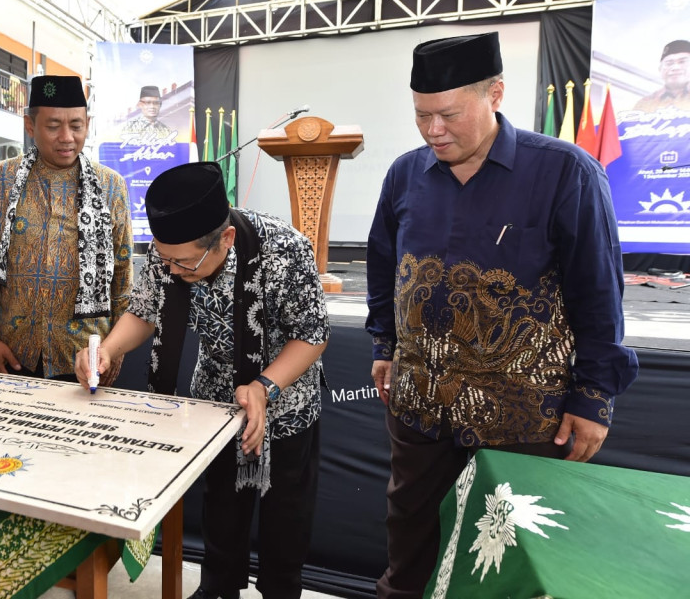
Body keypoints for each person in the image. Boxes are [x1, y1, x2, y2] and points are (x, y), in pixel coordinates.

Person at [365, 31, 639, 599]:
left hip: (525, 421)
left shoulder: (566, 173)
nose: (433, 131)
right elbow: (384, 266)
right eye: (421, 116)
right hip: (421, 413)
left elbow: (598, 294)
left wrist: (594, 397)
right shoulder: (404, 175)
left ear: (495, 94)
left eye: (447, 115)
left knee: (507, 568)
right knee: (409, 553)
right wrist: (384, 345)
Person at [75, 161, 330, 599]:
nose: (171, 270)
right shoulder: (167, 255)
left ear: (225, 239)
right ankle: (217, 588)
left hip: (286, 406)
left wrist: (264, 387)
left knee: (285, 525)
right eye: (164, 259)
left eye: (183, 262)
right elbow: (144, 310)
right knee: (221, 516)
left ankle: (281, 591)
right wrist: (107, 351)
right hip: (216, 405)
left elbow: (312, 334)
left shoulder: (285, 249)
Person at [0, 75, 133, 382]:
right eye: (53, 126)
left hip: (86, 358)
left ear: (87, 123)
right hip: (14, 354)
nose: (66, 137)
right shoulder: (0, 181)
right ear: (31, 126)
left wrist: (114, 349)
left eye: (76, 125)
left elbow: (122, 275)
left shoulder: (111, 187)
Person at [633, 39, 690, 111]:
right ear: (660, 69)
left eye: (682, 62)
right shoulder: (645, 103)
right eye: (669, 63)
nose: (675, 68)